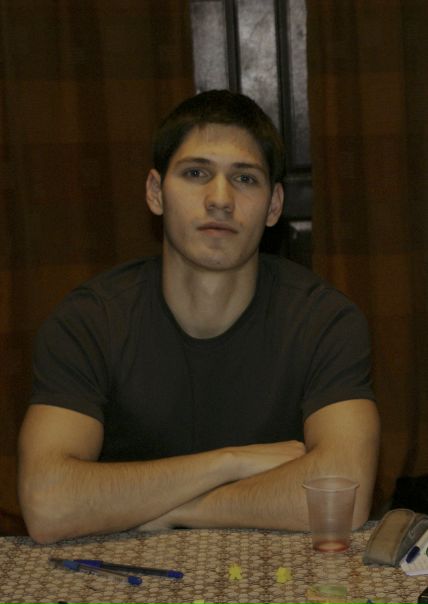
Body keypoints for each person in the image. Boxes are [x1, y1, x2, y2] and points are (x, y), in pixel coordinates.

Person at [18, 90, 380, 544]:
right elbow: (48, 503)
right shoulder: (88, 321)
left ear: (273, 205)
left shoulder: (326, 321)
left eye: (245, 178)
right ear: (155, 193)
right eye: (195, 173)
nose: (220, 199)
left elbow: (345, 493)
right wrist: (228, 462)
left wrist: (167, 510)